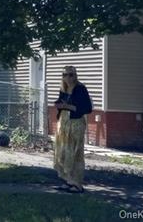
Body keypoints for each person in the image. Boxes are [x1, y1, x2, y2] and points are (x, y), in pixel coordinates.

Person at [53, 65, 92, 193]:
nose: (67, 78)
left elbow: (87, 108)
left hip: (75, 124)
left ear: (75, 75)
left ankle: (77, 184)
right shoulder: (63, 88)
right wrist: (59, 104)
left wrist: (68, 106)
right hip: (63, 124)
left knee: (74, 153)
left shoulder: (80, 88)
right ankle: (67, 181)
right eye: (64, 75)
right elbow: (61, 103)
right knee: (63, 152)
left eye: (70, 75)